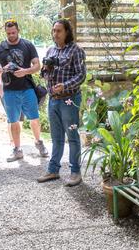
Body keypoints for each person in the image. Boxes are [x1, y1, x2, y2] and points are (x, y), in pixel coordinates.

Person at [0, 19, 48, 162]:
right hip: (9, 90)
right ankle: (17, 149)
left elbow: (37, 65)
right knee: (13, 121)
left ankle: (38, 142)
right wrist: (2, 69)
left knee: (34, 118)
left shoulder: (27, 45)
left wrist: (25, 71)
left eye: (13, 32)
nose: (11, 35)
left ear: (18, 30)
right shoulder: (0, 48)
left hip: (27, 87)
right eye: (8, 33)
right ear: (6, 32)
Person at [37, 19, 86, 187]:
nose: (55, 34)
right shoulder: (50, 50)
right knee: (56, 138)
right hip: (53, 100)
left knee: (72, 137)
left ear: (67, 32)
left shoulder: (76, 50)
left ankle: (75, 173)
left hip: (69, 99)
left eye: (58, 31)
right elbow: (43, 76)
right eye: (53, 31)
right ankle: (53, 170)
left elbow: (81, 76)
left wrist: (64, 85)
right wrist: (44, 71)